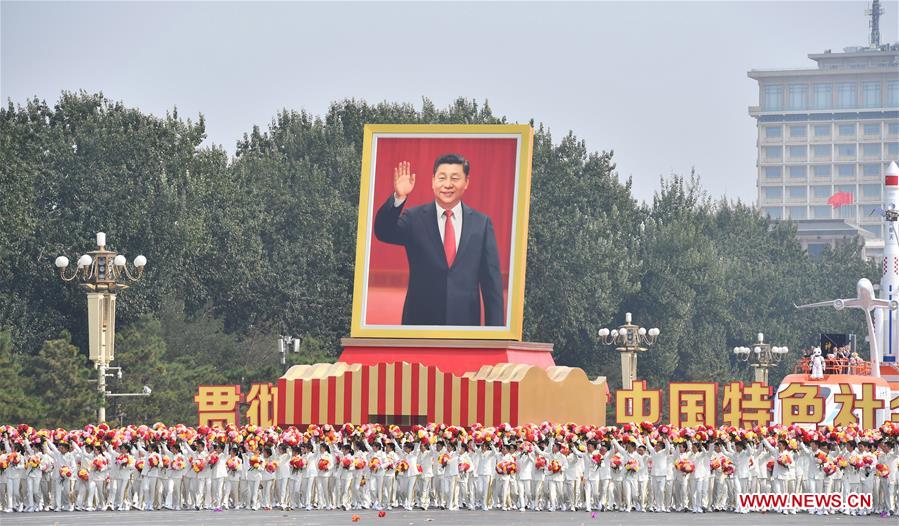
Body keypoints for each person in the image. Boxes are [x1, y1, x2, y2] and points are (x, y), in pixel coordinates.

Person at [373, 155, 504, 326]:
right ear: (433, 181)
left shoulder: (481, 223)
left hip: (465, 327)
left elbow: (491, 283)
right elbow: (383, 232)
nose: (447, 184)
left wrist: (495, 335)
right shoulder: (414, 218)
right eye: (442, 178)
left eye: (455, 178)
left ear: (466, 182)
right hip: (420, 324)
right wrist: (398, 197)